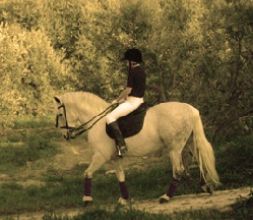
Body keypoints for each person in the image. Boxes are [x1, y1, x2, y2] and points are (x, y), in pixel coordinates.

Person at [106, 48, 146, 158]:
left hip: (132, 102)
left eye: (126, 61)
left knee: (109, 117)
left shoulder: (133, 71)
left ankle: (122, 145)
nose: (125, 63)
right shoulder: (141, 71)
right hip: (138, 100)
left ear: (131, 61)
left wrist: (117, 100)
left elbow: (128, 90)